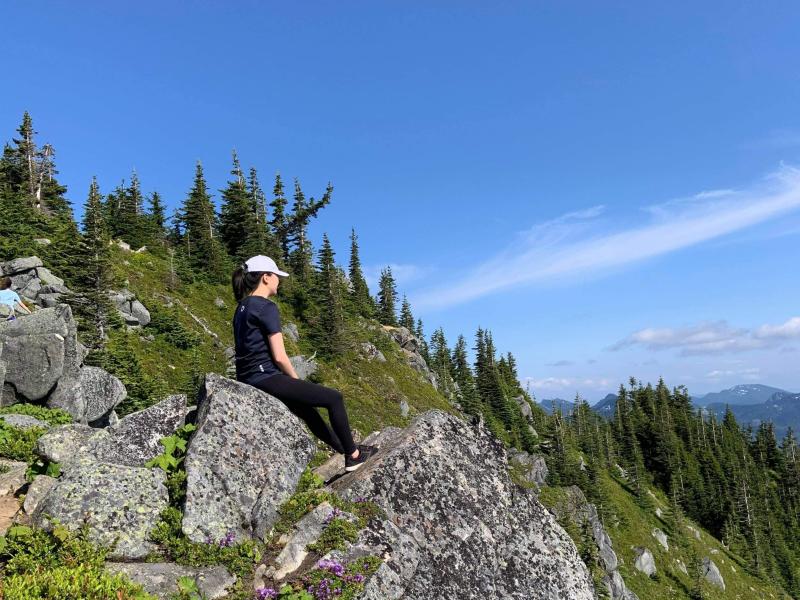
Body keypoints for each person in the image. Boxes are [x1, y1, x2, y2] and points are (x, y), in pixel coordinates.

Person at [231, 255, 376, 472]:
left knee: (307, 410)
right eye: (277, 276)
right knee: (333, 398)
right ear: (266, 277)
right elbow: (279, 356)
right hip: (266, 377)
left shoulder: (242, 307)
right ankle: (353, 456)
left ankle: (349, 449)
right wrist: (295, 379)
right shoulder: (265, 307)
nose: (279, 280)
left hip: (247, 377)